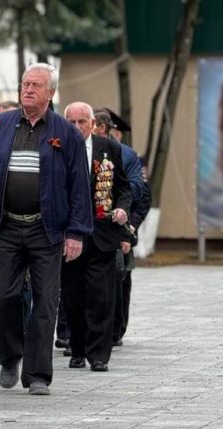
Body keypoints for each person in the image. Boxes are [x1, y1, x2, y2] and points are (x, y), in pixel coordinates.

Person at [0, 63, 92, 396]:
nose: (28, 89)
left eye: (36, 85)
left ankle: (37, 375)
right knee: (1, 295)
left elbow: (79, 187)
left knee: (46, 302)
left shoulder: (67, 133)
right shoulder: (0, 125)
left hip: (47, 229)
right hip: (6, 226)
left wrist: (76, 233)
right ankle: (10, 355)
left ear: (51, 92)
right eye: (25, 83)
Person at [61, 102, 130, 371]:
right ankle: (77, 347)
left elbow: (123, 186)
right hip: (70, 235)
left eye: (82, 122)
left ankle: (99, 354)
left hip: (102, 233)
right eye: (72, 122)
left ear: (93, 124)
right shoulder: (57, 146)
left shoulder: (108, 148)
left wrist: (123, 208)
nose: (77, 127)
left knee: (101, 297)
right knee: (73, 296)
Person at [94, 108, 150, 345]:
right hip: (89, 226)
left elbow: (141, 194)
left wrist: (114, 192)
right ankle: (72, 335)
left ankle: (115, 331)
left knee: (117, 279)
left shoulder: (126, 156)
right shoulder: (78, 149)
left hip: (118, 225)